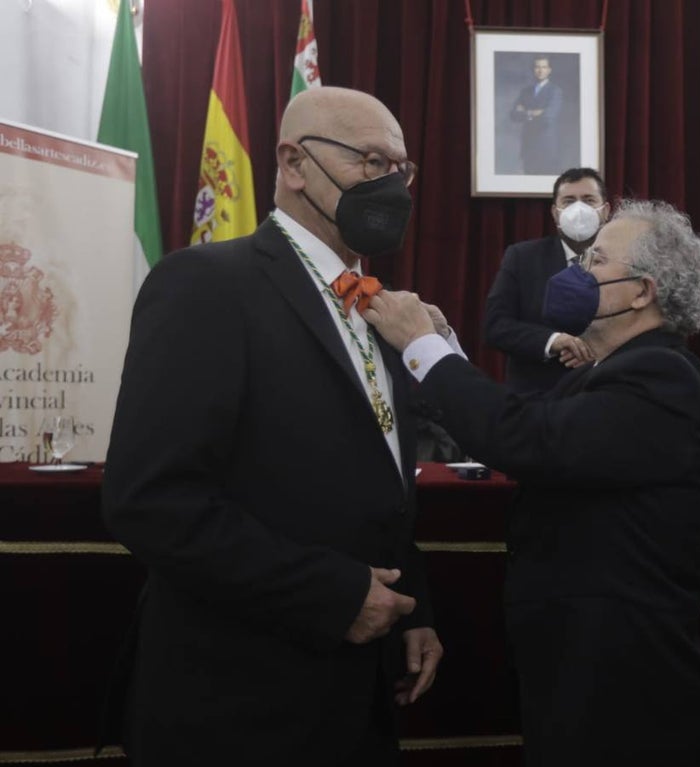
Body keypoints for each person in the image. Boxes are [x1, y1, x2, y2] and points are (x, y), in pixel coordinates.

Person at [100, 87, 448, 767]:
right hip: (236, 704)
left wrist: (417, 607)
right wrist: (333, 595)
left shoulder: (381, 310)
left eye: (401, 169)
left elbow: (380, 483)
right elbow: (149, 500)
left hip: (357, 703)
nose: (391, 186)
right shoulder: (205, 285)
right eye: (371, 161)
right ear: (293, 165)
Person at [365, 199, 700, 766]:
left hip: (622, 677)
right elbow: (524, 420)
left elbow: (526, 439)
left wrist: (420, 347)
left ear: (641, 292)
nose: (576, 272)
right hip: (581, 658)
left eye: (596, 260)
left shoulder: (660, 377)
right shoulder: (605, 373)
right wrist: (446, 341)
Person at [483, 167, 608, 393]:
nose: (578, 209)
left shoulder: (626, 262)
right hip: (538, 397)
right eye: (568, 201)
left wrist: (600, 348)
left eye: (589, 200)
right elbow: (496, 326)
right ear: (555, 212)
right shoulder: (522, 258)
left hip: (606, 391)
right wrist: (553, 341)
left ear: (605, 210)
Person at [510, 55, 563, 174]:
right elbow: (513, 115)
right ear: (533, 70)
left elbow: (548, 117)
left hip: (546, 146)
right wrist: (534, 112)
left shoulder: (555, 91)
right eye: (537, 67)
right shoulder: (525, 91)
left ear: (549, 70)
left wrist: (525, 112)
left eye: (544, 67)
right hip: (528, 145)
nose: (540, 70)